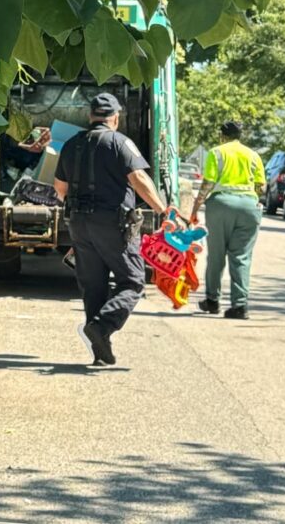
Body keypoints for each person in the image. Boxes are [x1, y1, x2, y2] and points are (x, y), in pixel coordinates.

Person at [53, 93, 172, 366]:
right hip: (112, 223)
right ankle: (103, 326)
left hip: (79, 223)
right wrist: (161, 210)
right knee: (131, 281)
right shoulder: (119, 142)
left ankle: (100, 352)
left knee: (93, 286)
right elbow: (139, 177)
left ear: (91, 117)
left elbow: (60, 189)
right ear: (115, 118)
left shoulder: (71, 145)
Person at [190, 121, 266, 320]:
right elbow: (261, 187)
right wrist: (253, 200)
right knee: (241, 257)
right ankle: (240, 306)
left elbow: (208, 183)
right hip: (249, 207)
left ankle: (212, 300)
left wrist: (196, 208)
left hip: (221, 206)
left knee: (216, 255)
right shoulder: (253, 155)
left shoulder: (216, 153)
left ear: (222, 136)